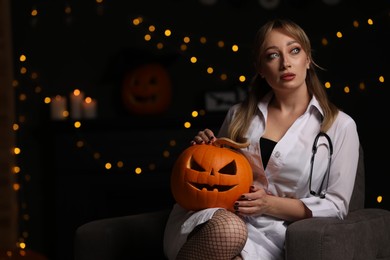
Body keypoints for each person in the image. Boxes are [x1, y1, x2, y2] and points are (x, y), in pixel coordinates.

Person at [163, 18, 360, 260]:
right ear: (260, 68)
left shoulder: (340, 126)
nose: (286, 63)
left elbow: (337, 206)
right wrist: (205, 148)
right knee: (230, 230)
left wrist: (269, 204)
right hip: (217, 220)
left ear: (307, 59)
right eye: (272, 55)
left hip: (273, 235)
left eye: (294, 51)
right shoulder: (238, 115)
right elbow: (216, 175)